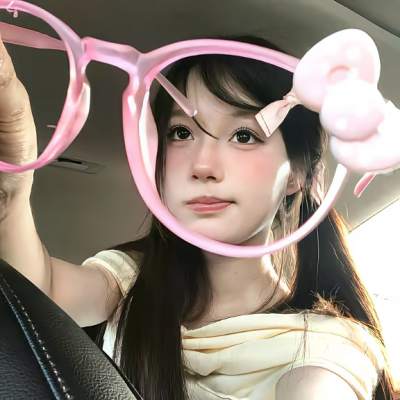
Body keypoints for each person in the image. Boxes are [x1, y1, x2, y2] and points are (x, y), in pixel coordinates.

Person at [0, 32, 397, 400]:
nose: (203, 165)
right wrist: (12, 185)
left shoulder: (328, 346)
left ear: (296, 173)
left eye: (244, 135)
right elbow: (33, 297)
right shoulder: (129, 280)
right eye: (181, 133)